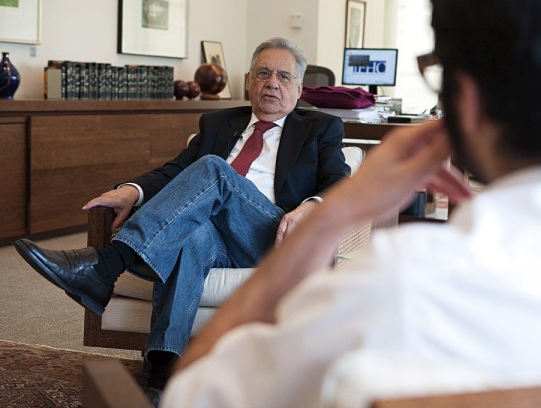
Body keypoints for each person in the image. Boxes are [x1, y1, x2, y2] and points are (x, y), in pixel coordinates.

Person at [159, 0, 541, 407]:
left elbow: (192, 397)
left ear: (466, 100)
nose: (272, 85)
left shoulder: (401, 286)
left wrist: (332, 215)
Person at [14, 37, 351, 404]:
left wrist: (312, 205)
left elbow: (340, 179)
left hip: (271, 233)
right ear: (248, 81)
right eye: (263, 73)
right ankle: (163, 373)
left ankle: (107, 264)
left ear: (299, 87)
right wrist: (131, 190)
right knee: (192, 236)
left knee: (214, 170)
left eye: (284, 77)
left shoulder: (320, 128)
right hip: (218, 237)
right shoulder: (219, 122)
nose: (273, 83)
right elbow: (175, 171)